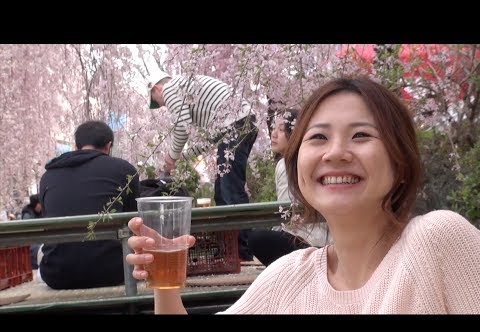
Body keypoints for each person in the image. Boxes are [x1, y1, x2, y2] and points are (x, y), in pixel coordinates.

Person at [127, 76, 480, 314]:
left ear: (400, 160)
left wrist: (170, 159)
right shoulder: (288, 277)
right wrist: (166, 286)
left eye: (360, 135)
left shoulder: (437, 242)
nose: (335, 153)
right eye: (318, 138)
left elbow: (181, 124)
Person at [148, 70, 258, 261]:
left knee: (231, 190)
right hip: (238, 125)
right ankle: (229, 248)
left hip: (236, 126)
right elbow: (212, 139)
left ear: (157, 88)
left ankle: (242, 251)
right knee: (221, 192)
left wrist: (172, 157)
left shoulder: (171, 88)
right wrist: (184, 156)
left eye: (157, 101)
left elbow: (182, 128)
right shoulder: (188, 88)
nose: (162, 105)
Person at [38, 120, 140, 289]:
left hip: (56, 274)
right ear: (108, 146)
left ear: (75, 147)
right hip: (115, 271)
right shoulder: (125, 170)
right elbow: (133, 222)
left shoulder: (48, 176)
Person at [248, 108, 330, 266]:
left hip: (306, 240)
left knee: (256, 239)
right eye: (273, 128)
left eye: (281, 129)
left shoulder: (286, 164)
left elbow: (286, 213)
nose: (274, 134)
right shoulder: (312, 159)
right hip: (325, 239)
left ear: (294, 133)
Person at [21, 194, 44, 269]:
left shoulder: (40, 212)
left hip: (39, 239)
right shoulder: (27, 215)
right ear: (36, 204)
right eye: (40, 203)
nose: (41, 205)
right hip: (32, 241)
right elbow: (27, 233)